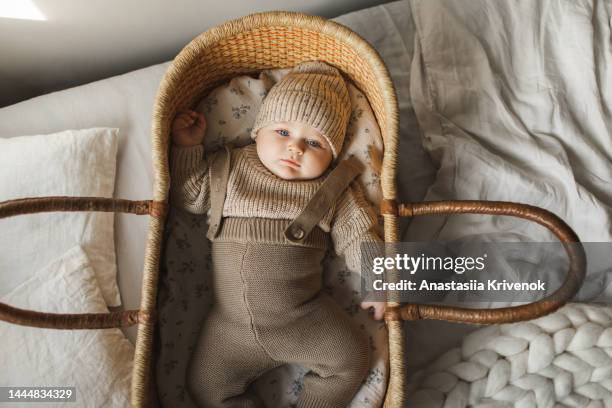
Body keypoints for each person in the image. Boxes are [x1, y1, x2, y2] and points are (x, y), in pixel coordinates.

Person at [170, 61, 385, 408]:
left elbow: (359, 233)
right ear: (258, 131)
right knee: (205, 389)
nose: (295, 148)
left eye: (314, 142)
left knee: (352, 360)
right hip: (229, 330)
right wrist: (187, 147)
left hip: (302, 319)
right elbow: (190, 195)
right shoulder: (230, 167)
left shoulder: (333, 189)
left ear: (332, 155)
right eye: (283, 133)